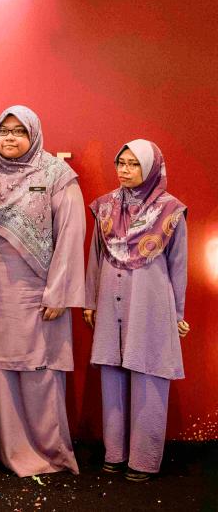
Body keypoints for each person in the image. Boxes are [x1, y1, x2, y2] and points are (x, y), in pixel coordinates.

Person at [0, 105, 85, 477]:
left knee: (40, 369)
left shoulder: (57, 175)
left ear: (33, 135)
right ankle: (8, 450)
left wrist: (59, 293)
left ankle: (49, 453)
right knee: (0, 369)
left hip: (39, 292)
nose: (10, 138)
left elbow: (70, 235)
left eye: (20, 131)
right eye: (4, 131)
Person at [83, 139, 188, 482]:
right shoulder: (105, 207)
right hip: (110, 299)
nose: (125, 171)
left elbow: (178, 266)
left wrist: (177, 315)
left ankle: (142, 461)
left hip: (150, 303)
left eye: (134, 164)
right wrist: (90, 300)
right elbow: (95, 259)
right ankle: (115, 454)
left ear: (152, 168)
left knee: (148, 374)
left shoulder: (171, 211)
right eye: (121, 163)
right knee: (112, 374)